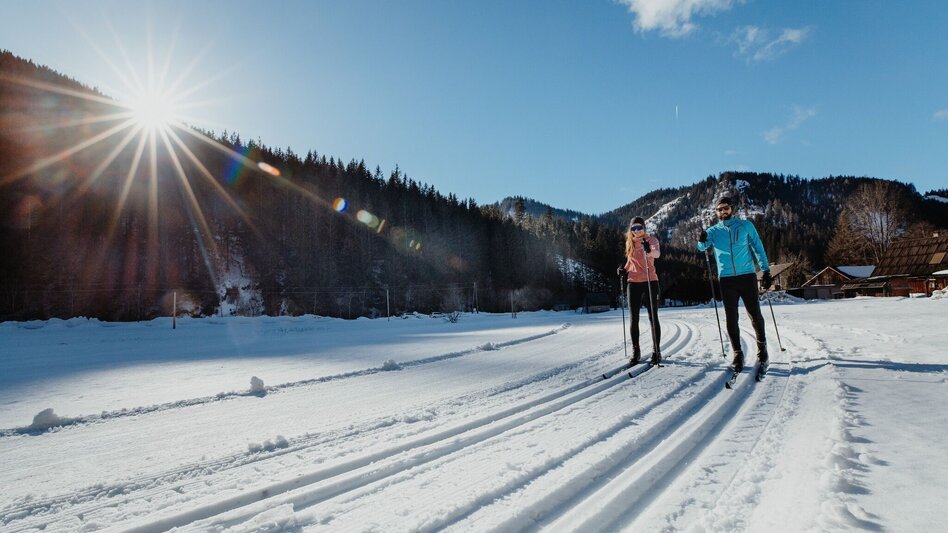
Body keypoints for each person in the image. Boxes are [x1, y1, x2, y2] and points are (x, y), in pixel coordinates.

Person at [696, 196, 773, 375]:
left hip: (747, 276)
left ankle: (762, 349)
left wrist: (766, 271)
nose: (723, 211)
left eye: (726, 208)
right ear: (716, 212)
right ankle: (738, 354)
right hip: (726, 279)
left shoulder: (745, 226)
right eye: (719, 209)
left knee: (755, 314)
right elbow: (702, 247)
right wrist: (701, 239)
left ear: (732, 208)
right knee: (731, 318)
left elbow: (758, 247)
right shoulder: (713, 231)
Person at [617, 216, 662, 366]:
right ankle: (636, 351)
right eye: (633, 228)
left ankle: (656, 351)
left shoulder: (651, 240)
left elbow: (657, 254)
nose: (636, 230)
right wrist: (623, 270)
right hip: (633, 283)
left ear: (644, 228)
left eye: (639, 227)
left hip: (650, 281)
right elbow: (630, 262)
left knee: (653, 317)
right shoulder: (629, 242)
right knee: (633, 318)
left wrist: (649, 251)